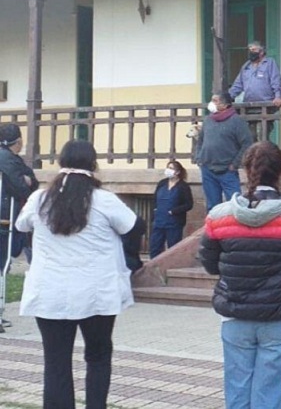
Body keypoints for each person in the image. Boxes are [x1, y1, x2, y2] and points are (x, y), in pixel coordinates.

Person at [199, 141, 281, 409]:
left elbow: (211, 265)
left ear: (246, 171)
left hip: (235, 314)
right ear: (280, 172)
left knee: (237, 390)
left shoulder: (219, 215)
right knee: (270, 395)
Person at [15, 140, 138, 409]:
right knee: (98, 356)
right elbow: (133, 227)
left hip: (50, 291)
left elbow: (21, 223)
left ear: (61, 162)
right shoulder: (105, 200)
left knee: (56, 362)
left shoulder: (40, 198)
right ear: (93, 164)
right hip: (97, 292)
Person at [195, 91, 253, 212]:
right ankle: (213, 230)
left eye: (215, 101)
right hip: (207, 168)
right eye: (212, 100)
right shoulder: (208, 120)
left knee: (235, 204)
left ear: (225, 105)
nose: (211, 103)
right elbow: (200, 140)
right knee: (212, 206)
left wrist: (235, 164)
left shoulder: (237, 121)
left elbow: (247, 144)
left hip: (228, 170)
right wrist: (199, 158)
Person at [0, 123, 38, 279]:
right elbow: (21, 187)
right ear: (19, 141)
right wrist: (27, 182)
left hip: (9, 210)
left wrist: (30, 182)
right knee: (6, 251)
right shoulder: (6, 158)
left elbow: (32, 181)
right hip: (6, 212)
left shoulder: (13, 158)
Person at [229, 41, 281, 138]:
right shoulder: (246, 66)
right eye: (249, 50)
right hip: (249, 106)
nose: (251, 52)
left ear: (261, 52)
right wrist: (227, 98)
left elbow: (276, 80)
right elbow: (237, 85)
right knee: (250, 135)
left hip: (266, 106)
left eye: (253, 50)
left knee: (263, 134)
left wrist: (278, 96)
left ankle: (265, 153)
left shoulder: (269, 63)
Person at [149, 160, 193, 259]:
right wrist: (154, 213)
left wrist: (174, 211)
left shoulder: (183, 186)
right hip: (159, 220)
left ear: (178, 172)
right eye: (168, 167)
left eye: (171, 168)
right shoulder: (162, 183)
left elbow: (189, 204)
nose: (168, 170)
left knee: (173, 246)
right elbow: (154, 199)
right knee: (155, 245)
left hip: (174, 221)